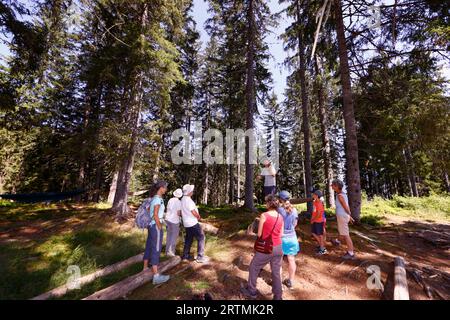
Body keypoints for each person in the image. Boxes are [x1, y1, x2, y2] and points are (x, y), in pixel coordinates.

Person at [241, 194, 284, 300]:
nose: (265, 204)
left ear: (269, 203)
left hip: (266, 248)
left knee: (254, 267)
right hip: (278, 247)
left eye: (266, 202)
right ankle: (278, 296)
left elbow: (260, 234)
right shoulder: (280, 216)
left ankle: (251, 291)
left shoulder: (264, 215)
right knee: (276, 272)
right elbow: (281, 234)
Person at [143, 181, 171, 285]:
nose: (166, 189)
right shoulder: (158, 199)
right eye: (165, 188)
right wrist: (159, 225)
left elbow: (149, 209)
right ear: (161, 188)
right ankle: (156, 276)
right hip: (155, 226)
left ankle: (145, 268)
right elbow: (155, 214)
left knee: (149, 246)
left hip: (151, 226)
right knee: (156, 249)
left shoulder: (153, 198)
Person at [277, 190, 300, 289]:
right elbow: (295, 224)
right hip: (292, 238)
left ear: (280, 200)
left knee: (279, 261)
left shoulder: (279, 210)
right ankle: (291, 281)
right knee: (291, 259)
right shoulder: (294, 210)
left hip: (281, 238)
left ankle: (278, 284)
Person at [181, 184, 208, 263]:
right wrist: (198, 216)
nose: (192, 191)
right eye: (191, 190)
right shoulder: (188, 200)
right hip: (192, 222)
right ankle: (200, 257)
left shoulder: (183, 199)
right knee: (201, 237)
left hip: (186, 223)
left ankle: (185, 256)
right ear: (189, 192)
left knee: (189, 239)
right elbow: (193, 211)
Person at [331, 179, 355, 260]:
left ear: (337, 186)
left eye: (333, 185)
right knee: (342, 232)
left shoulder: (340, 196)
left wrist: (349, 215)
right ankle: (337, 241)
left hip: (342, 216)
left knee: (346, 235)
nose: (331, 186)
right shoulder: (342, 194)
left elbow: (345, 207)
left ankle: (351, 253)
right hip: (343, 216)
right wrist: (349, 216)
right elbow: (346, 207)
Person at [164, 188, 183, 257]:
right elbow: (178, 213)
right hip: (174, 221)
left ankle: (167, 251)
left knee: (169, 236)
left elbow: (168, 209)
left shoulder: (170, 200)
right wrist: (183, 215)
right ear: (180, 195)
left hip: (167, 219)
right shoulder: (178, 202)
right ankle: (171, 252)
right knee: (174, 237)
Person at [311, 190, 327, 255]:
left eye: (313, 194)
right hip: (315, 220)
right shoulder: (315, 202)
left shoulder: (319, 203)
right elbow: (314, 211)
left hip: (319, 221)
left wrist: (314, 219)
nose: (312, 195)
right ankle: (321, 245)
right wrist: (312, 218)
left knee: (320, 235)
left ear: (317, 196)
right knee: (313, 233)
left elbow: (319, 214)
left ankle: (322, 248)